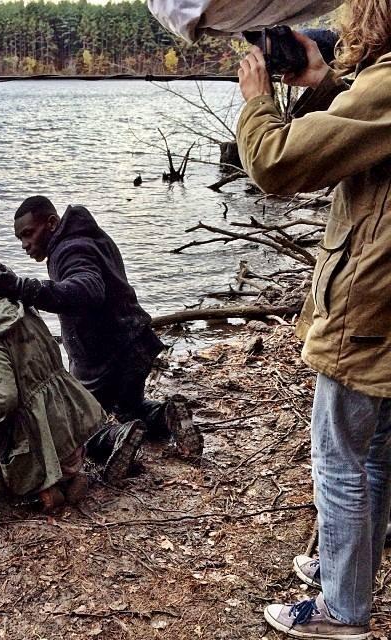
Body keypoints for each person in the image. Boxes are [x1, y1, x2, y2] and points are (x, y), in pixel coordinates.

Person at [236, 3, 391, 637]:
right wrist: (322, 82)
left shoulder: (388, 84)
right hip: (386, 310)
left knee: (338, 461)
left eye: (358, 11)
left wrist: (256, 99)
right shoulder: (379, 88)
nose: (349, 21)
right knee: (375, 457)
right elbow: (364, 135)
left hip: (369, 311)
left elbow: (276, 164)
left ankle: (342, 610)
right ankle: (347, 574)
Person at [0, 196, 204, 472]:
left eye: (29, 234)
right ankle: (166, 416)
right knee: (129, 408)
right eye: (20, 238)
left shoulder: (71, 249)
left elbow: (88, 289)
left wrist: (22, 288)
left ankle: (117, 441)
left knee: (75, 429)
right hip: (134, 342)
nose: (25, 245)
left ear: (52, 223)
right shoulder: (87, 238)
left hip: (108, 357)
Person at [0, 243, 106, 521]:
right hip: (67, 437)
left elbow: (2, 402)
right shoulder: (15, 307)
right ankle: (67, 476)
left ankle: (36, 492)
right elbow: (25, 371)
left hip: (36, 447)